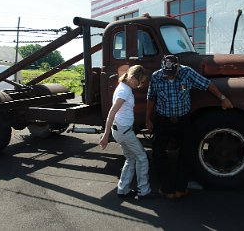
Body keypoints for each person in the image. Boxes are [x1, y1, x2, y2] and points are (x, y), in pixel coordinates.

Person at [146, 55, 233, 199]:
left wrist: (222, 98)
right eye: (166, 73)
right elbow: (151, 97)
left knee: (188, 152)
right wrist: (147, 119)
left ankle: (181, 187)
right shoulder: (156, 76)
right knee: (158, 153)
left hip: (183, 119)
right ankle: (167, 189)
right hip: (162, 119)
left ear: (178, 67)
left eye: (172, 73)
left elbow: (206, 84)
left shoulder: (187, 72)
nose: (169, 77)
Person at [99, 65, 154, 200]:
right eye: (139, 81)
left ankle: (123, 190)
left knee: (130, 158)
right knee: (142, 157)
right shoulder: (125, 91)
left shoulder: (123, 87)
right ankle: (143, 190)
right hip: (124, 131)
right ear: (132, 77)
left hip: (120, 129)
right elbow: (111, 113)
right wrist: (105, 136)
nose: (139, 85)